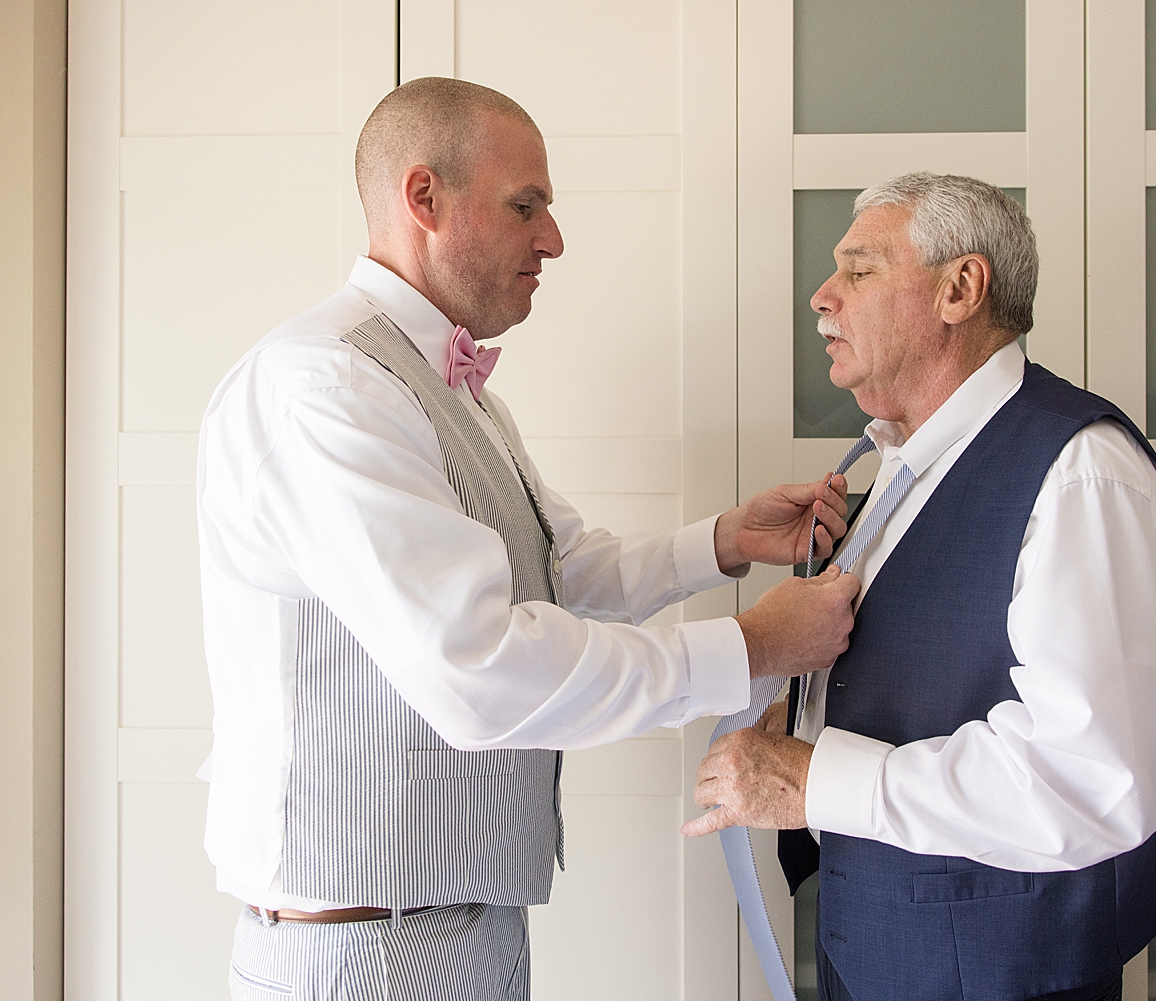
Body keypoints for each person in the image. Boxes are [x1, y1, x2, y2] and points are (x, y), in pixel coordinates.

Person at [197, 77, 861, 1001]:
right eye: (526, 206)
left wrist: (722, 543)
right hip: (361, 956)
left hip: (464, 931)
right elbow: (476, 664)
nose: (552, 239)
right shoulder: (325, 387)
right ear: (423, 199)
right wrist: (751, 646)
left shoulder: (459, 393)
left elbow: (554, 573)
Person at [683, 172, 1156, 1001]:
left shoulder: (1081, 474)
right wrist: (806, 714)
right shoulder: (900, 468)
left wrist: (811, 779)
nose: (821, 297)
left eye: (858, 270)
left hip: (998, 973)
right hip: (876, 949)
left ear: (959, 289)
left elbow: (1092, 776)